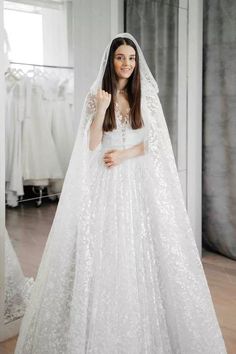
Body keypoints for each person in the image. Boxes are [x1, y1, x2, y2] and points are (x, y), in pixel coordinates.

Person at [14, 33, 227, 354]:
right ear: (111, 62)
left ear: (136, 63)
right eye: (120, 58)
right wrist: (101, 109)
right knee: (101, 247)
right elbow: (91, 145)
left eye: (131, 58)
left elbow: (152, 145)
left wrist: (124, 155)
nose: (126, 64)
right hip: (105, 181)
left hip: (136, 180)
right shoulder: (97, 96)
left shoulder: (144, 97)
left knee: (143, 243)